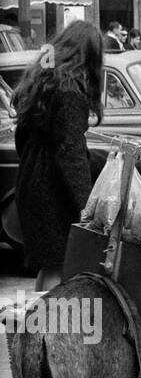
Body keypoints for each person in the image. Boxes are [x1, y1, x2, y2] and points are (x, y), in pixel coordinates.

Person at [13, 20, 104, 290]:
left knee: (49, 263)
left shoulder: (43, 82)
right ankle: (48, 331)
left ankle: (39, 327)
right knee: (60, 263)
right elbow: (70, 152)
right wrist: (86, 207)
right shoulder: (70, 91)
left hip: (33, 182)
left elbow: (23, 137)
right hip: (54, 191)